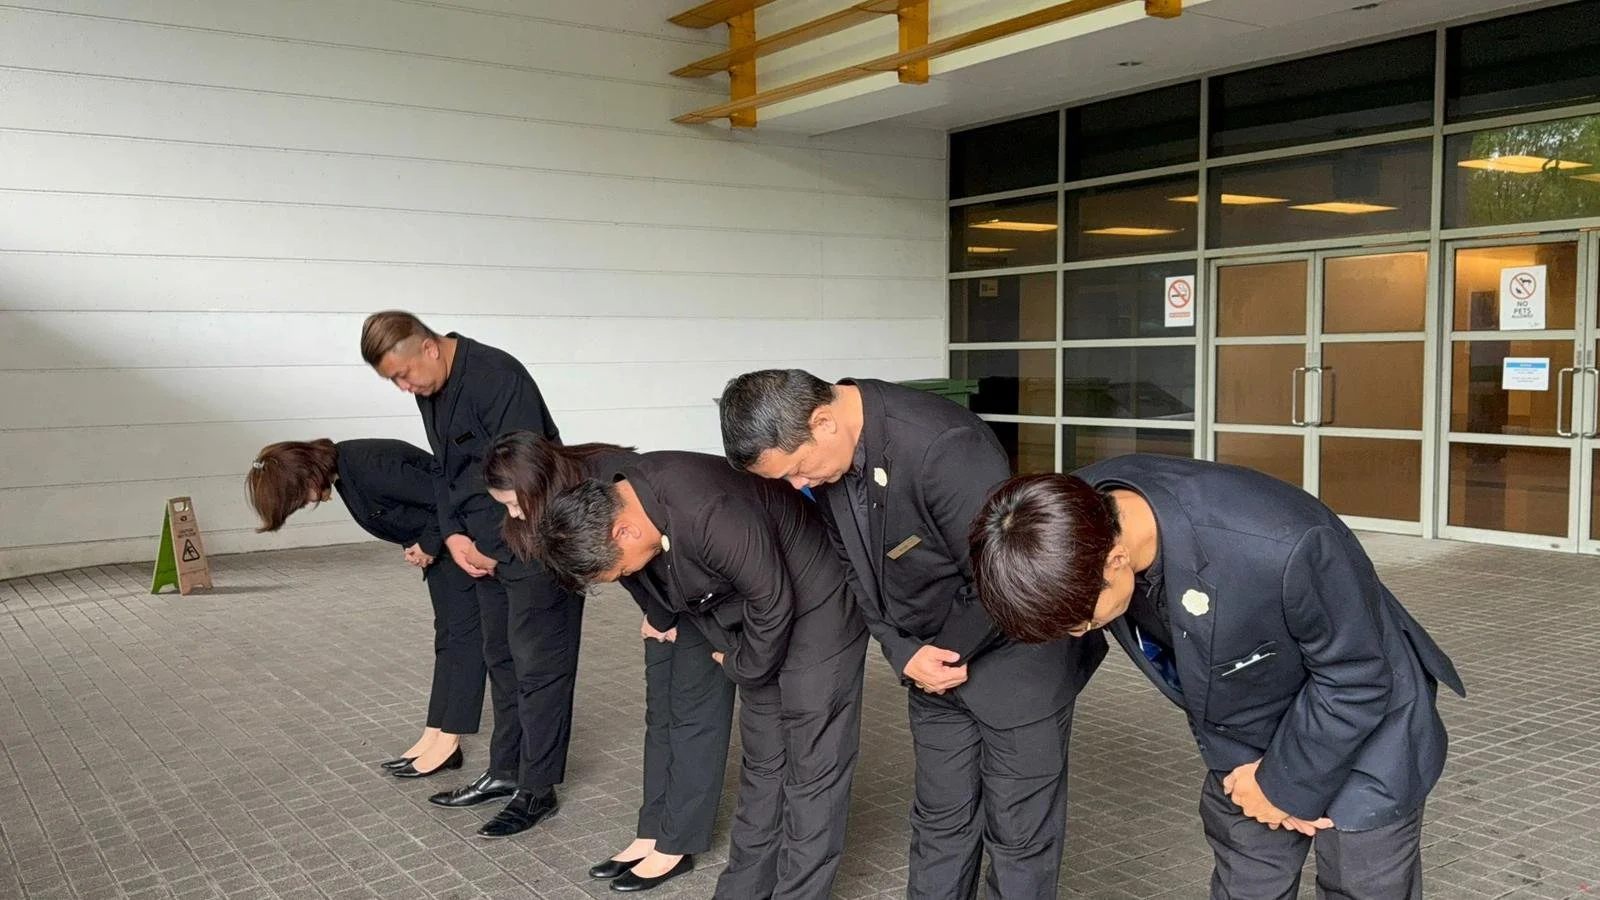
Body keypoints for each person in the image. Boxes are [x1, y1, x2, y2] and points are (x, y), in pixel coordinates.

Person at [967, 455, 1467, 900]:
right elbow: (1193, 669)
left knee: (1363, 880)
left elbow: (1357, 677)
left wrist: (1283, 786)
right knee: (1247, 876)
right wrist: (1260, 782)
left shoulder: (1283, 543)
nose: (1081, 634)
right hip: (1244, 728)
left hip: (1367, 719)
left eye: (1084, 622)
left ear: (1115, 560)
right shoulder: (1066, 520)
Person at [718, 370, 1104, 900]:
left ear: (823, 421)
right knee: (940, 820)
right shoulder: (831, 463)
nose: (799, 486)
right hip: (928, 667)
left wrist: (939, 653)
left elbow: (1005, 574)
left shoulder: (943, 447)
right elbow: (853, 570)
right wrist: (903, 652)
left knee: (1019, 836)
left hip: (1017, 662)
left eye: (797, 469)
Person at [537, 451, 868, 900]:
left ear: (624, 531)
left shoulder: (706, 512)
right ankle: (742, 890)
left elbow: (772, 601)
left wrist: (741, 666)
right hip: (759, 613)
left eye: (620, 570)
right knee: (765, 762)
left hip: (818, 601)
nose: (627, 576)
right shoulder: (628, 500)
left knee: (812, 768)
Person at [359, 311, 580, 839]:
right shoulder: (429, 388)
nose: (404, 387)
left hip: (530, 540)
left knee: (538, 666)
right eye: (393, 380)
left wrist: (491, 543)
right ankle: (505, 772)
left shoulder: (497, 377)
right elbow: (445, 470)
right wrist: (455, 535)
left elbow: (527, 473)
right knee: (500, 659)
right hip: (478, 545)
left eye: (403, 374)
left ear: (430, 347)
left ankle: (538, 788)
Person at [484, 432, 736, 893]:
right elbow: (623, 566)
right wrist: (656, 614)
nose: (514, 515)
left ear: (535, 484)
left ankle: (677, 843)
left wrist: (664, 613)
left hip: (711, 592)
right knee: (661, 712)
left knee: (695, 715)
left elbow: (658, 542)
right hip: (668, 598)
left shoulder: (606, 477)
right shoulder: (565, 492)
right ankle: (652, 830)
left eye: (515, 504)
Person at [245, 438, 484, 777]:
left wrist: (428, 542)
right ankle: (436, 734)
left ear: (306, 476)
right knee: (447, 639)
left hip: (463, 542)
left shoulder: (368, 465)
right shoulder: (347, 472)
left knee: (465, 639)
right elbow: (408, 510)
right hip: (443, 549)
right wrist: (416, 546)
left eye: (297, 499)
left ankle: (449, 739)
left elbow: (447, 495)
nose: (305, 505)